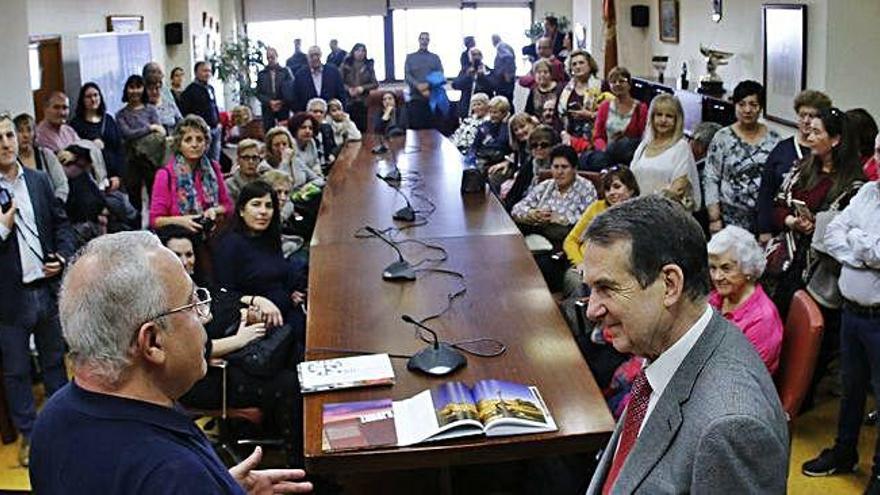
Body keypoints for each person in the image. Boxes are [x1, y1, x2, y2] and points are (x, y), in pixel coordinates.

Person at [30, 231, 312, 493]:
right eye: (193, 304)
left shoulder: (51, 418)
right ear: (152, 342)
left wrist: (222, 486)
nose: (206, 316)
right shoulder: (174, 474)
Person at [582, 195, 788, 494]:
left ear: (669, 285)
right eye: (590, 289)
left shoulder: (729, 428)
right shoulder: (668, 348)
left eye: (606, 288)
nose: (591, 310)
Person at [169, 211, 305, 467]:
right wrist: (242, 338)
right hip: (202, 379)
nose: (185, 261)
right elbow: (194, 351)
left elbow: (226, 302)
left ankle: (283, 435)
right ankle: (299, 465)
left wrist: (247, 311)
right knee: (289, 384)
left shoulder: (198, 286)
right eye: (176, 255)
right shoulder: (166, 304)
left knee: (294, 354)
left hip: (231, 360)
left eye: (189, 254)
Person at [0, 113, 74, 467]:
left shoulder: (39, 180)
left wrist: (61, 256)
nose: (5, 143)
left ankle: (62, 430)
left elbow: (63, 226)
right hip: (9, 299)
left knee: (55, 363)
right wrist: (2, 230)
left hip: (46, 290)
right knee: (16, 372)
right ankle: (30, 435)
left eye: (9, 135)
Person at [803, 178, 880, 492]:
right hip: (851, 312)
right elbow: (832, 233)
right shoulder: (866, 192)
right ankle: (844, 452)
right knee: (851, 389)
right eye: (878, 151)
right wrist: (862, 252)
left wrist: (856, 240)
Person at [212, 181, 307, 360]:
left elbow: (279, 273)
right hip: (261, 330)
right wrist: (257, 301)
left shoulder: (269, 238)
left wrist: (292, 290)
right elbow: (221, 294)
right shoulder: (230, 245)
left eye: (269, 206)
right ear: (241, 210)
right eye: (256, 204)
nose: (263, 211)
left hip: (288, 315)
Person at [704, 80, 781, 234]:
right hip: (728, 221)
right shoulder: (722, 137)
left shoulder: (774, 139)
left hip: (763, 222)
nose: (747, 110)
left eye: (753, 105)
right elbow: (711, 177)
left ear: (761, 108)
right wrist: (714, 218)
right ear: (735, 105)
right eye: (742, 104)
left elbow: (777, 182)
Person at [757, 90, 832, 243]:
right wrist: (764, 230)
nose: (806, 120)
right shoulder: (781, 150)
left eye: (812, 116)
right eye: (802, 115)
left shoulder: (826, 154)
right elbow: (766, 193)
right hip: (781, 230)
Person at [707, 225, 783, 374]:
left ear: (747, 268)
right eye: (713, 268)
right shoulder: (718, 297)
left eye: (726, 268)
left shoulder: (761, 321)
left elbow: (739, 378)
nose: (717, 277)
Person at [149, 115, 232, 232]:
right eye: (188, 140)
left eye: (199, 139)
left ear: (206, 143)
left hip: (212, 233)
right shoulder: (165, 174)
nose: (194, 144)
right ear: (179, 144)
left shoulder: (213, 168)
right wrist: (181, 221)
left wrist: (214, 210)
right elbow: (155, 220)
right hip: (179, 235)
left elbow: (228, 205)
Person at [511, 145, 597, 246]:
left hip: (567, 241)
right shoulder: (546, 185)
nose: (559, 172)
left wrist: (562, 219)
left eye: (564, 167)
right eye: (555, 167)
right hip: (539, 235)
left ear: (574, 168)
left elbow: (592, 221)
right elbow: (516, 209)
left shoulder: (586, 188)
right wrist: (533, 214)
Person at [630, 94, 701, 212]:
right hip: (637, 212)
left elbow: (678, 189)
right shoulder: (644, 145)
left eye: (669, 116)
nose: (663, 120)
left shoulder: (681, 147)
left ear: (677, 120)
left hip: (665, 215)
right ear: (652, 117)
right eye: (659, 115)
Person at [563, 165, 639, 268]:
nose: (611, 193)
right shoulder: (596, 208)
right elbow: (571, 241)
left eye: (617, 187)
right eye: (607, 189)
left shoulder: (640, 214)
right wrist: (579, 263)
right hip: (586, 265)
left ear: (631, 189)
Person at [117, 75, 166, 213]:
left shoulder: (151, 109)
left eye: (138, 87)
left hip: (153, 161)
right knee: (135, 196)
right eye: (131, 87)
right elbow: (127, 134)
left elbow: (160, 132)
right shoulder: (121, 114)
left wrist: (152, 131)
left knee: (155, 194)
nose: (135, 91)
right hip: (132, 162)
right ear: (126, 90)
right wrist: (149, 128)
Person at [69, 83, 125, 191]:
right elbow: (76, 150)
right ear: (82, 100)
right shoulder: (76, 124)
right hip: (93, 181)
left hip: (115, 179)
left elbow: (119, 149)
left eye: (96, 95)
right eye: (88, 96)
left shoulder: (109, 120)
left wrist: (119, 176)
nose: (93, 99)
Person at [589, 67, 647, 166]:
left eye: (621, 81)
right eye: (613, 81)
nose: (617, 84)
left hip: (630, 157)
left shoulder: (641, 108)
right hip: (607, 156)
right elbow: (598, 136)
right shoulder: (604, 106)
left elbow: (643, 136)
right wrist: (604, 149)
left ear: (629, 84)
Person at [14, 114, 68, 202]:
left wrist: (57, 203)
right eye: (20, 131)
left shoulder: (46, 155)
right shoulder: (11, 162)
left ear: (34, 133)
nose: (25, 135)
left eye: (29, 130)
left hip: (53, 206)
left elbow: (62, 184)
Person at [557, 50, 604, 145]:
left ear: (590, 65)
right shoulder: (563, 88)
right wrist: (563, 133)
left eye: (581, 63)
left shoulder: (602, 85)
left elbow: (610, 112)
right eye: (574, 64)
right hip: (568, 138)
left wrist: (590, 115)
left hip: (595, 137)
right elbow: (556, 115)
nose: (578, 66)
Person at [179, 61, 222, 162]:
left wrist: (219, 122)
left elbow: (214, 106)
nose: (207, 74)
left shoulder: (210, 88)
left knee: (215, 160)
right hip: (201, 131)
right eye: (204, 71)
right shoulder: (189, 91)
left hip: (215, 129)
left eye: (209, 71)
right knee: (202, 159)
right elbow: (185, 113)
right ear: (196, 72)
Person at [498, 113, 541, 210]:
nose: (520, 131)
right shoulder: (520, 147)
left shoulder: (539, 145)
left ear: (532, 124)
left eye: (522, 126)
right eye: (516, 130)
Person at [404, 32, 444, 129]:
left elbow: (440, 76)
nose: (424, 41)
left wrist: (428, 86)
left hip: (432, 97)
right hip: (415, 98)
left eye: (426, 39)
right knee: (416, 129)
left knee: (433, 129)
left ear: (429, 41)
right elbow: (407, 76)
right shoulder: (410, 57)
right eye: (422, 39)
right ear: (419, 40)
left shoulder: (435, 58)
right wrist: (418, 86)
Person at [466, 96, 511, 179]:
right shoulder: (485, 126)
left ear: (505, 114)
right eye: (490, 112)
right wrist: (471, 155)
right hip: (482, 157)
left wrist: (504, 124)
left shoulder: (508, 127)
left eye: (495, 112)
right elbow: (475, 144)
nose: (492, 115)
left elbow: (500, 143)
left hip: (498, 158)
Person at [292, 46, 347, 112]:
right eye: (312, 55)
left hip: (331, 115)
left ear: (321, 55)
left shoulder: (333, 72)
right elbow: (296, 98)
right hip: (308, 117)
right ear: (307, 57)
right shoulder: (300, 75)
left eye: (317, 55)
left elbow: (341, 94)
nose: (315, 58)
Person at [340, 43, 379, 132]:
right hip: (348, 101)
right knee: (349, 129)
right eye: (358, 50)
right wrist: (348, 89)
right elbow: (339, 82)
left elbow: (375, 84)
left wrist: (362, 88)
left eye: (363, 51)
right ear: (353, 52)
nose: (360, 53)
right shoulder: (346, 64)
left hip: (363, 101)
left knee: (362, 129)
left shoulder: (368, 66)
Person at [256, 47, 294, 132]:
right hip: (268, 109)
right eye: (268, 58)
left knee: (284, 131)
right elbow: (258, 93)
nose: (270, 60)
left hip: (283, 107)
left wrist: (281, 102)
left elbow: (291, 89)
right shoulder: (262, 74)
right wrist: (270, 102)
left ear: (277, 56)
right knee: (269, 132)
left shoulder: (285, 72)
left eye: (272, 57)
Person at [452, 47, 495, 119]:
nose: (476, 57)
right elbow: (455, 85)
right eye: (473, 55)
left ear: (482, 56)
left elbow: (493, 86)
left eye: (478, 54)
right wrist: (467, 76)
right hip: (468, 107)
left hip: (485, 109)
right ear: (470, 57)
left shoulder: (488, 70)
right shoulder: (465, 71)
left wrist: (482, 77)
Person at [35, 92, 79, 157]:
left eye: (65, 108)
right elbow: (60, 159)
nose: (62, 112)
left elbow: (84, 150)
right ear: (45, 109)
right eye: (56, 107)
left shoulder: (69, 131)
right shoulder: (39, 135)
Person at [225, 139, 264, 203]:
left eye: (254, 158)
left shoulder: (265, 182)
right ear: (238, 160)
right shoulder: (229, 185)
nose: (251, 162)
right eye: (246, 158)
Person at [305, 99, 337, 169]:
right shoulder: (304, 131)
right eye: (315, 111)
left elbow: (334, 146)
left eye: (321, 112)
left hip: (328, 166)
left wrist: (332, 155)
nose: (318, 114)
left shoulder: (327, 127)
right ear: (308, 113)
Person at [491, 34, 516, 103]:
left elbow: (508, 57)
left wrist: (507, 73)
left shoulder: (501, 46)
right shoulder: (506, 46)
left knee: (504, 101)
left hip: (504, 79)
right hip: (507, 78)